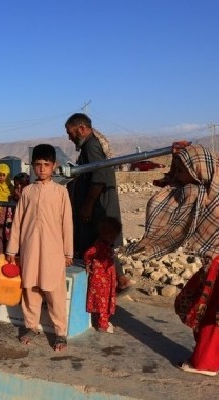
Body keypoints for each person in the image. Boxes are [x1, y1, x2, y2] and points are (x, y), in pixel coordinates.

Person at [126, 144, 219, 378]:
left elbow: (164, 194)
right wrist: (176, 159)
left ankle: (205, 362)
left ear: (197, 169)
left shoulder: (198, 193)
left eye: (181, 170)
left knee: (212, 308)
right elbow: (171, 181)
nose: (177, 175)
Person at [6, 144, 74, 352]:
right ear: (33, 166)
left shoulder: (61, 192)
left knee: (54, 291)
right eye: (38, 165)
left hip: (53, 252)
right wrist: (12, 250)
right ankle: (31, 327)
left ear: (54, 166)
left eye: (46, 164)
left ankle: (60, 332)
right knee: (31, 289)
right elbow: (17, 222)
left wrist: (68, 252)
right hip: (30, 250)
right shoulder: (27, 192)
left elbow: (67, 223)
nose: (42, 169)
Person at [65, 113, 134, 291]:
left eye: (70, 133)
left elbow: (98, 177)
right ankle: (118, 281)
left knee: (95, 247)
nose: (69, 137)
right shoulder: (91, 145)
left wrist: (87, 206)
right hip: (98, 208)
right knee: (102, 246)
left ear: (82, 128)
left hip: (97, 209)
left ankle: (103, 288)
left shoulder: (91, 146)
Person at [84, 216, 122, 334]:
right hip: (102, 280)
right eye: (111, 237)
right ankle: (102, 325)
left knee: (100, 301)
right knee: (103, 302)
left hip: (104, 278)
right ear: (103, 234)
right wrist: (88, 263)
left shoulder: (101, 244)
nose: (112, 240)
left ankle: (98, 320)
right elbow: (88, 254)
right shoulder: (100, 246)